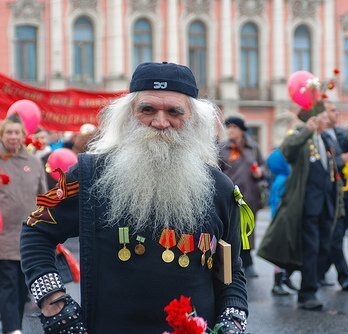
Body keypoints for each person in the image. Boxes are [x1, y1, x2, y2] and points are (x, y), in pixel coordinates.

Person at [21, 62, 249, 334]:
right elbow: (35, 231)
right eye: (147, 109)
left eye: (174, 111)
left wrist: (234, 318)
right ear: (129, 114)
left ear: (192, 120)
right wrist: (52, 302)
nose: (160, 122)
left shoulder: (220, 188)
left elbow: (231, 272)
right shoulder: (88, 175)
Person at [258, 102, 339, 310]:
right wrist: (306, 130)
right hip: (306, 205)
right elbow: (286, 150)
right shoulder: (302, 135)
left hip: (324, 205)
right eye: (322, 115)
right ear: (312, 119)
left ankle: (297, 280)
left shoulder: (325, 138)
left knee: (322, 248)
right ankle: (307, 294)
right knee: (310, 249)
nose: (327, 119)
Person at [0, 115, 47, 334]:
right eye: (9, 132)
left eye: (17, 132)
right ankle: (13, 330)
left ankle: (14, 328)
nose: (13, 136)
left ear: (24, 136)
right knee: (6, 286)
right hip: (0, 235)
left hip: (28, 237)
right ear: (2, 135)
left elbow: (44, 197)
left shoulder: (33, 162)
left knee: (21, 288)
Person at [219, 116, 264, 278]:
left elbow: (263, 165)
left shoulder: (253, 147)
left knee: (248, 229)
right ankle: (231, 263)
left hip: (250, 194)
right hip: (229, 195)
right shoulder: (222, 148)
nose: (230, 131)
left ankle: (248, 262)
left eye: (234, 128)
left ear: (242, 131)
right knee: (230, 229)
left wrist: (261, 171)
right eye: (228, 128)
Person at [318, 101, 348, 290]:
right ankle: (345, 276)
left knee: (332, 237)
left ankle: (318, 273)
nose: (336, 113)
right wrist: (342, 160)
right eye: (331, 111)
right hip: (329, 195)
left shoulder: (339, 133)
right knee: (334, 237)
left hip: (342, 193)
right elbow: (328, 162)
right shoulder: (321, 135)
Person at [265, 148, 295, 295]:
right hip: (282, 221)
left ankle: (284, 280)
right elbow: (279, 204)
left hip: (280, 220)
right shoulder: (283, 180)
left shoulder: (279, 178)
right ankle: (278, 283)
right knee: (281, 253)